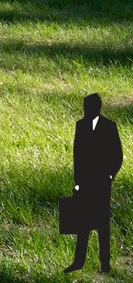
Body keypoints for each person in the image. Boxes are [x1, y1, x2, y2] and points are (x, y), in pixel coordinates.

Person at [70, 93, 122, 273]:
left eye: (89, 107)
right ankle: (78, 262)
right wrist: (77, 181)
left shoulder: (109, 126)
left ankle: (105, 264)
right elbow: (77, 155)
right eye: (85, 107)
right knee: (82, 224)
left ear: (97, 107)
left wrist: (110, 175)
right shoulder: (81, 125)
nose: (86, 110)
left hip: (102, 183)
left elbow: (117, 154)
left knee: (102, 225)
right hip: (85, 182)